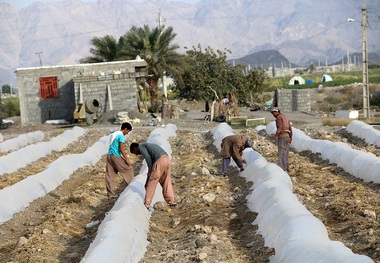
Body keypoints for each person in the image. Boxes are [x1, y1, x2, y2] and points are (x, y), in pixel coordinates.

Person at [130, 142, 176, 209]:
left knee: (152, 183)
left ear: (135, 148)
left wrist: (150, 170)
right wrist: (150, 172)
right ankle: (171, 201)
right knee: (166, 181)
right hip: (166, 159)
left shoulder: (141, 146)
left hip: (160, 160)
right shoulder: (148, 145)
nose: (137, 154)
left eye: (135, 152)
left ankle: (147, 204)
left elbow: (148, 158)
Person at [105, 122, 134, 197]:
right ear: (125, 129)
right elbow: (121, 148)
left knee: (109, 175)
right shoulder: (121, 136)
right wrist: (126, 158)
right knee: (128, 168)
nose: (127, 133)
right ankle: (132, 187)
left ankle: (109, 193)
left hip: (109, 156)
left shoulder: (114, 134)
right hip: (115, 156)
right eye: (128, 131)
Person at [270, 107, 293, 172]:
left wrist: (276, 135)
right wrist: (291, 137)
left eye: (274, 113)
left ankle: (283, 169)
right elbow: (290, 128)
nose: (273, 114)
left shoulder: (278, 118)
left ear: (277, 112)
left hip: (282, 136)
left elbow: (279, 127)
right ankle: (286, 167)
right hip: (287, 136)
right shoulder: (285, 117)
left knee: (281, 153)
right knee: (286, 153)